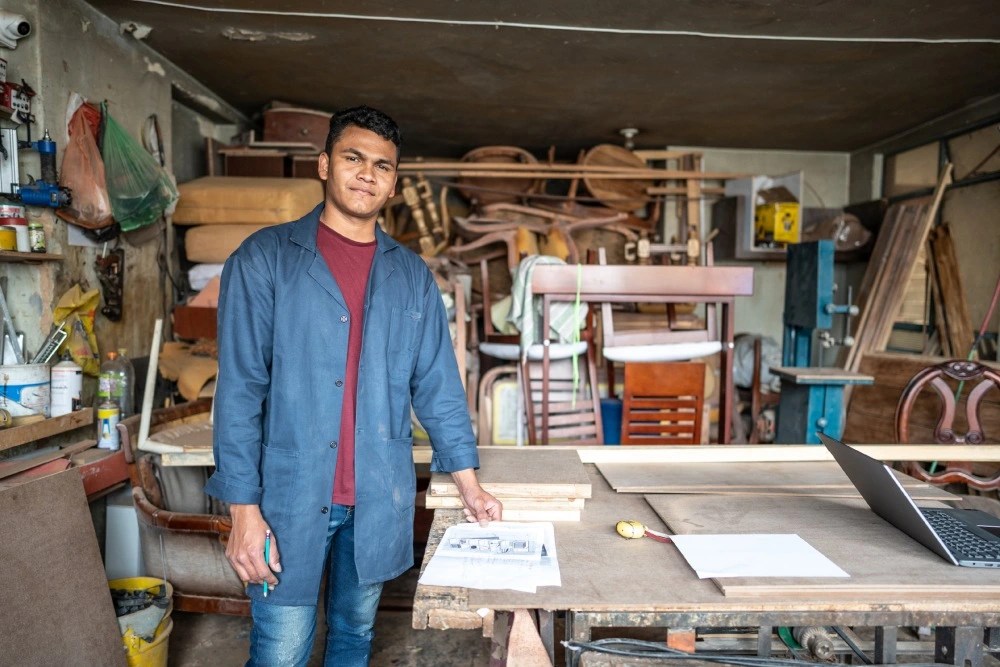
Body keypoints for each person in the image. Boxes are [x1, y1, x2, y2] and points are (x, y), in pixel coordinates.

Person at [205, 105, 502, 666]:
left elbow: (437, 385)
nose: (367, 173)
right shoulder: (265, 259)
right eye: (353, 157)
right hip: (287, 498)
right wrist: (242, 511)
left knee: (353, 639)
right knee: (282, 652)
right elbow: (240, 390)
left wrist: (469, 485)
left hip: (377, 498)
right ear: (324, 165)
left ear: (393, 182)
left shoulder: (411, 276)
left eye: (382, 166)